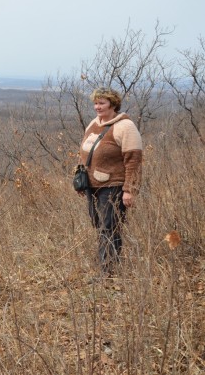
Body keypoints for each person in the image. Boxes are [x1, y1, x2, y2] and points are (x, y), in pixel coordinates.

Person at [78, 87, 143, 275]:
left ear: (113, 104)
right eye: (95, 103)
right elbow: (84, 152)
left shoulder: (125, 127)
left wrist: (130, 189)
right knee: (99, 226)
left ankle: (108, 272)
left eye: (102, 103)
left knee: (110, 227)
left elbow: (134, 161)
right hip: (92, 186)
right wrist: (80, 179)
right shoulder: (93, 124)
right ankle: (107, 266)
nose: (97, 107)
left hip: (113, 186)